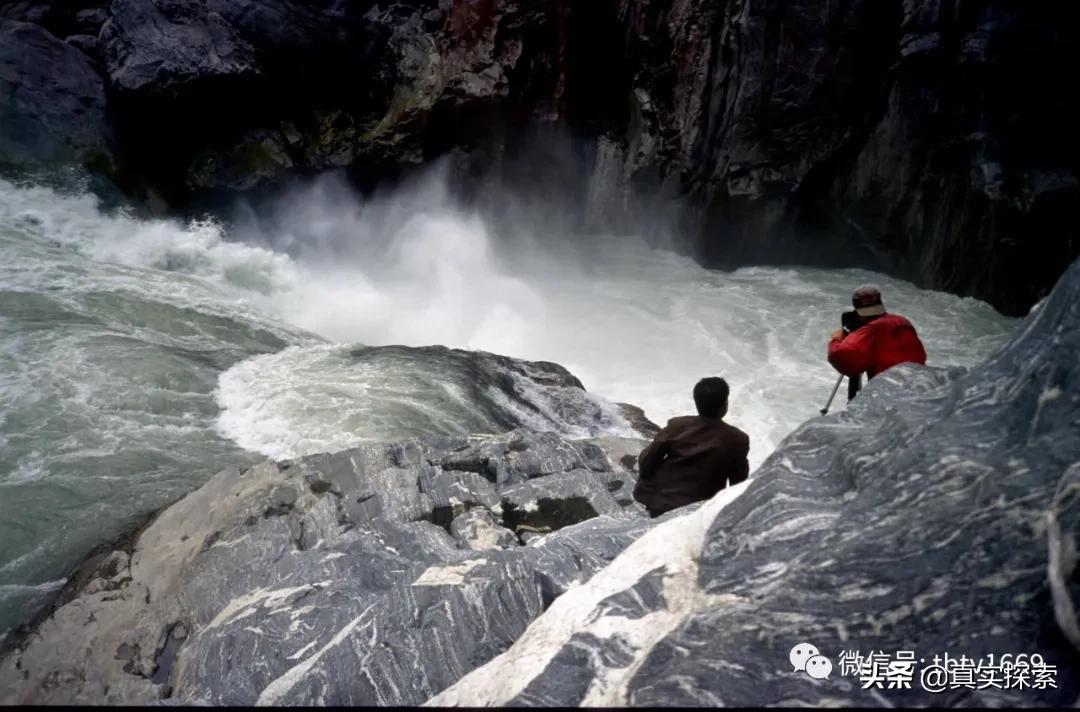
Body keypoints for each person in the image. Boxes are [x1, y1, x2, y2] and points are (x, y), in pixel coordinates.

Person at [632, 377, 750, 518]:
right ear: (724, 405)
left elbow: (647, 461)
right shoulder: (737, 439)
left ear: (696, 402)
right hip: (699, 509)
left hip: (659, 502)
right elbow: (737, 485)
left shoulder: (677, 426)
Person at [827, 284, 927, 382]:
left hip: (891, 388)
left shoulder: (871, 330)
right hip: (919, 381)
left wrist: (836, 338)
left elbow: (842, 358)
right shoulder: (902, 321)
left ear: (858, 312)